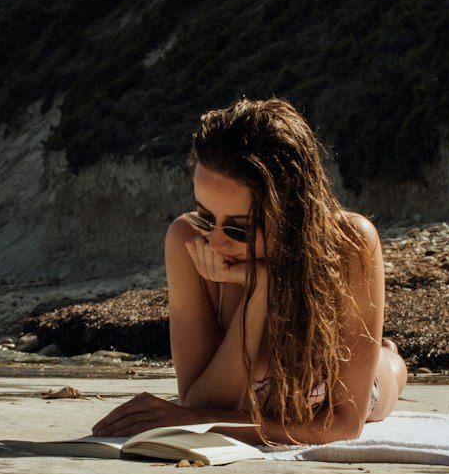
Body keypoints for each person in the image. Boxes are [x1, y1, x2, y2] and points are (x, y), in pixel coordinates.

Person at [91, 95, 407, 445]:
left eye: (240, 229)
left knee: (388, 370)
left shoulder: (349, 244)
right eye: (205, 217)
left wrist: (201, 421)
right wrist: (260, 292)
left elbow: (343, 426)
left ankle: (389, 355)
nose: (215, 243)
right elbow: (201, 402)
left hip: (368, 384)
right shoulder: (187, 241)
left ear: (292, 215)